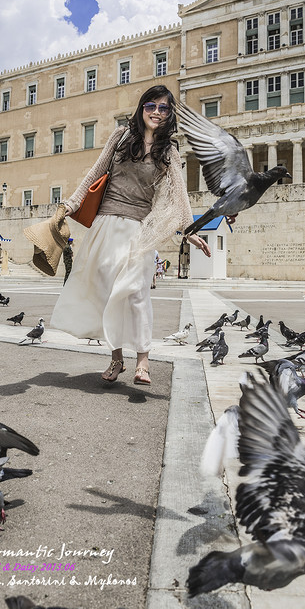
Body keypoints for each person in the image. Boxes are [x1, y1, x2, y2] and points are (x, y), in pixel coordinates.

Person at [51, 85, 211, 385]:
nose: (157, 112)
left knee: (137, 294)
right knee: (106, 291)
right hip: (106, 224)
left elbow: (179, 196)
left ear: (169, 115)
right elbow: (95, 172)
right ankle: (116, 358)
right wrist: (70, 204)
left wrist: (189, 231)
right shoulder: (121, 137)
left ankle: (143, 362)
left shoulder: (170, 152)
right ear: (142, 108)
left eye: (164, 108)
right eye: (151, 106)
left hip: (140, 232)